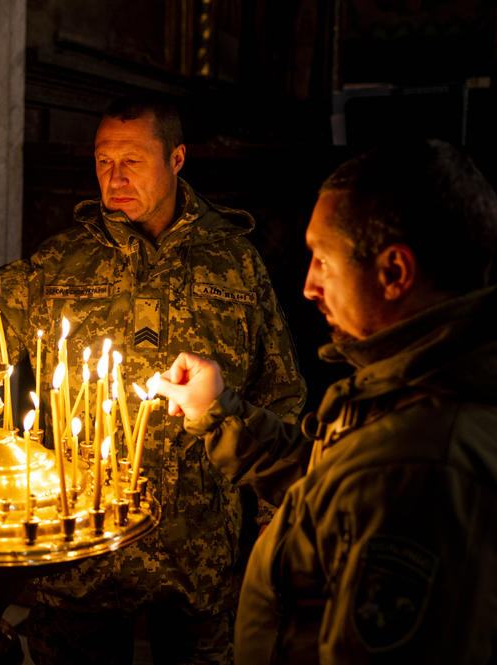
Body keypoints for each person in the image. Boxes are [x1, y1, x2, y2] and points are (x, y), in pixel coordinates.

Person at [0, 94, 306, 664]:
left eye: (132, 161)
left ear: (176, 158)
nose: (113, 178)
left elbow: (281, 395)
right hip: (83, 546)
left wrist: (274, 539)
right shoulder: (63, 259)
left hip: (197, 543)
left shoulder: (234, 261)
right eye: (102, 162)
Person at [156, 139, 497, 663]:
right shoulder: (410, 384)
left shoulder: (422, 467)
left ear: (394, 273)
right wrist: (219, 411)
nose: (309, 286)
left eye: (323, 260)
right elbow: (330, 486)